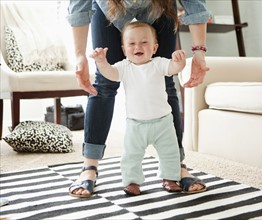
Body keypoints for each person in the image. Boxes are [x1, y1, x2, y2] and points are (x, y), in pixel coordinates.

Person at [67, 0, 210, 198]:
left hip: (160, 6)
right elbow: (79, 5)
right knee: (104, 85)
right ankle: (89, 167)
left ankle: (176, 165)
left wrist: (199, 53)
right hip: (109, 7)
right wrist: (79, 56)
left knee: (166, 80)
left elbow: (195, 3)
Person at [90, 21, 186, 196]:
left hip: (163, 122)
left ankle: (170, 178)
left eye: (144, 42)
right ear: (124, 49)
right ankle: (132, 182)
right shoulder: (124, 67)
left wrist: (179, 62)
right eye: (132, 44)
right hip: (136, 124)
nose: (138, 47)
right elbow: (110, 74)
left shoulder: (158, 63)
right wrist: (101, 62)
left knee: (170, 153)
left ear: (155, 48)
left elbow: (173, 68)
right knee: (131, 156)